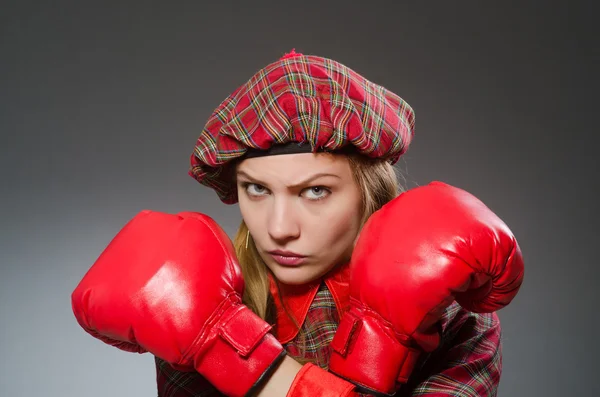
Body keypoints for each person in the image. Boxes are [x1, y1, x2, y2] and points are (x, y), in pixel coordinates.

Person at [71, 50, 524, 397]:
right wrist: (224, 335)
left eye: (315, 191)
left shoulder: (454, 313)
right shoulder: (197, 301)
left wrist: (247, 364)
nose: (280, 227)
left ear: (369, 192)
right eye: (257, 189)